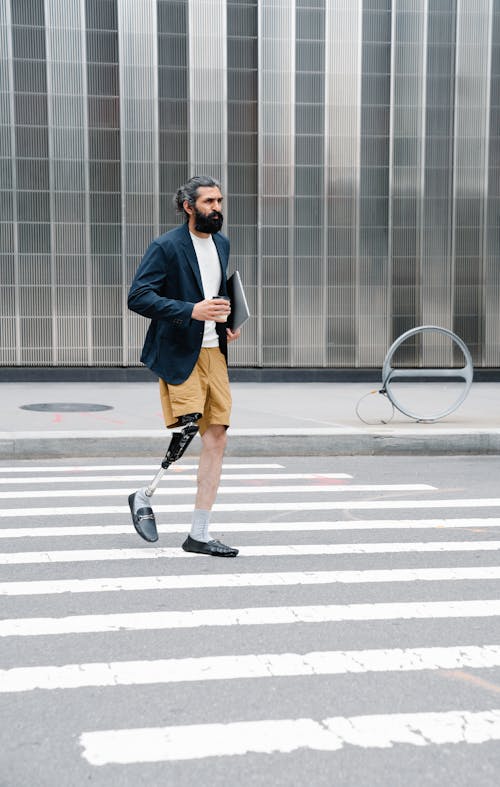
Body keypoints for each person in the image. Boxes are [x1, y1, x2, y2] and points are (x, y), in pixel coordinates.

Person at [127, 175, 240, 557]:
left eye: (220, 201)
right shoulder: (166, 246)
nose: (217, 208)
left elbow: (216, 291)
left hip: (214, 352)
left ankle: (199, 534)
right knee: (189, 428)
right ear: (189, 207)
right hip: (179, 350)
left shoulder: (221, 243)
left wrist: (226, 321)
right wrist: (190, 311)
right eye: (209, 201)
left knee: (217, 438)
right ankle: (143, 494)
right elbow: (139, 296)